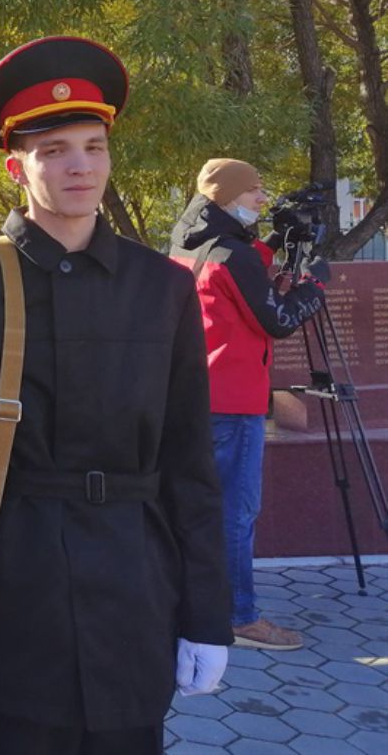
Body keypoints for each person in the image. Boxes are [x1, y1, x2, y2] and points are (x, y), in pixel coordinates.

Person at [0, 36, 232, 755]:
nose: (78, 164)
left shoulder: (163, 289)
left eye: (91, 145)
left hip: (135, 582)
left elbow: (190, 466)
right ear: (16, 167)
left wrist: (208, 612)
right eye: (53, 150)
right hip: (13, 584)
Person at [170, 158, 323, 650]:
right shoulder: (232, 255)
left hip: (198, 395)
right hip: (234, 403)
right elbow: (276, 320)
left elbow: (241, 295)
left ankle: (189, 605)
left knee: (201, 509)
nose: (262, 199)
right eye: (254, 191)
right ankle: (239, 617)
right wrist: (312, 288)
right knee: (237, 512)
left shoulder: (190, 245)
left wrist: (273, 254)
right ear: (227, 197)